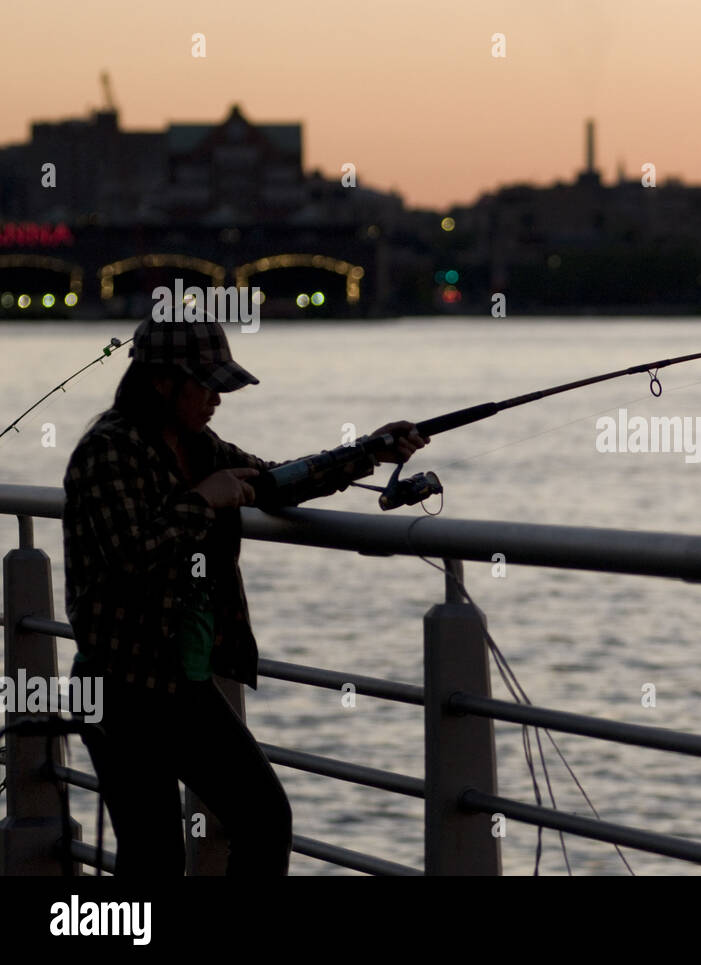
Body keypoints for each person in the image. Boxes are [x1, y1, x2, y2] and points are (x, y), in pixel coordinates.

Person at [63, 317, 428, 876]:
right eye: (206, 385)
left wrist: (370, 450)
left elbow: (282, 480)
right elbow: (130, 558)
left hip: (180, 681)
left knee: (263, 820)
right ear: (162, 382)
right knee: (153, 851)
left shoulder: (198, 445)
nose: (216, 400)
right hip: (118, 683)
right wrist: (203, 500)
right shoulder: (108, 451)